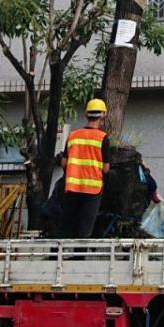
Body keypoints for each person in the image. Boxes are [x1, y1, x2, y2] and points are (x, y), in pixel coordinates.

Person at [58, 98, 112, 238]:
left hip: (72, 188)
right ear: (103, 116)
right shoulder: (103, 138)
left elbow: (64, 163)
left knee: (67, 226)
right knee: (85, 230)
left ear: (86, 115)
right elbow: (105, 169)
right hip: (93, 190)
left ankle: (59, 257)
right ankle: (80, 257)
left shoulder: (73, 136)